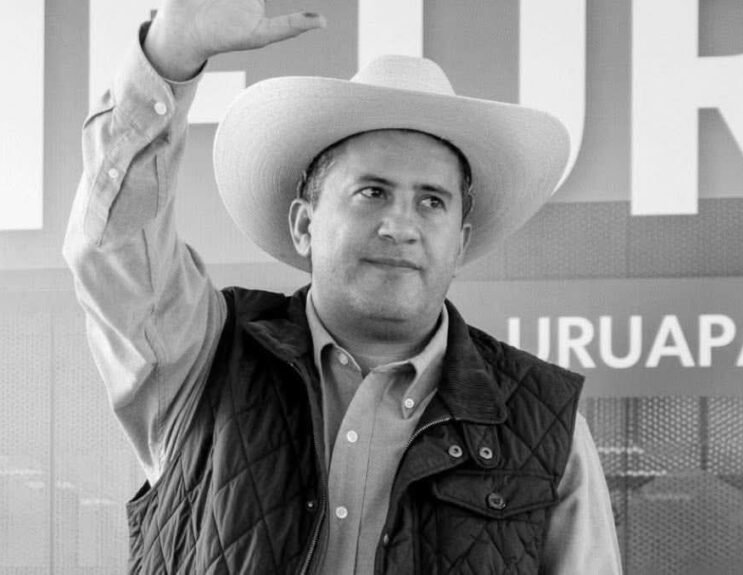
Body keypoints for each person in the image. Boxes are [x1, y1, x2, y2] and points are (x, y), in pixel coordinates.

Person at [64, 1, 622, 573]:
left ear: (460, 242)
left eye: (432, 201)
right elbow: (114, 249)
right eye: (371, 193)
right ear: (304, 225)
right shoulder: (203, 358)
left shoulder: (546, 427)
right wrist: (168, 59)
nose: (400, 225)